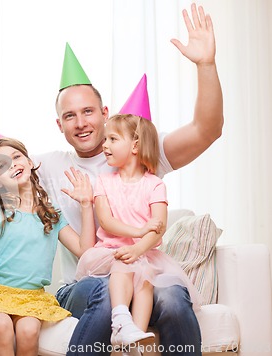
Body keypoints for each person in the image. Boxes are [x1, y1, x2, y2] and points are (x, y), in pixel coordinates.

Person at [32, 3, 223, 355]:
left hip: (144, 271)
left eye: (88, 111)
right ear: (59, 125)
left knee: (173, 298)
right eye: (69, 116)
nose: (81, 122)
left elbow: (206, 130)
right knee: (105, 293)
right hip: (85, 283)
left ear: (106, 114)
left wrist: (206, 65)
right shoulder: (48, 166)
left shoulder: (142, 155)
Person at [0, 137, 95, 356]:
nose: (12, 165)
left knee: (29, 329)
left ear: (30, 162)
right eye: (2, 166)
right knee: (1, 326)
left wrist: (86, 205)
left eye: (16, 157)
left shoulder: (51, 214)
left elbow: (85, 251)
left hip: (33, 297)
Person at [74, 114, 201, 350]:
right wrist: (139, 231)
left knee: (145, 278)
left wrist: (139, 247)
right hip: (109, 252)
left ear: (134, 145)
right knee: (124, 262)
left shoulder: (154, 184)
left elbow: (159, 228)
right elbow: (106, 220)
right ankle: (121, 320)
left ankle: (135, 339)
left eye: (112, 139)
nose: (105, 145)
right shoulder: (103, 181)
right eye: (105, 139)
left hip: (144, 253)